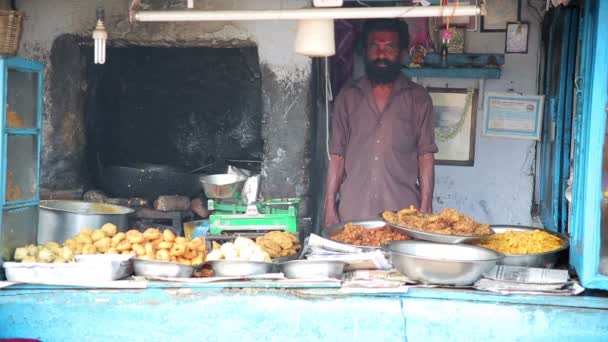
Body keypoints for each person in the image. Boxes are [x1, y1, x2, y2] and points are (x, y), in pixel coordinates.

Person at [323, 19, 438, 228]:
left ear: (402, 52)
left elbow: (426, 155)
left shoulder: (418, 98)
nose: (381, 54)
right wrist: (330, 204)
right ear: (365, 51)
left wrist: (426, 206)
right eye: (374, 46)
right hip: (353, 212)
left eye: (389, 47)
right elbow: (337, 155)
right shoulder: (348, 96)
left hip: (403, 214)